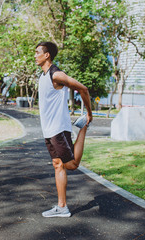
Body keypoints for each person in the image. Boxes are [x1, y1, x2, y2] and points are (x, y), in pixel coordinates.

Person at [35, 41, 93, 217]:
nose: (35, 55)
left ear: (47, 55)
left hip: (58, 128)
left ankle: (83, 127)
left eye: (38, 52)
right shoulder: (43, 76)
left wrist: (89, 114)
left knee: (72, 164)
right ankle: (62, 207)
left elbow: (83, 88)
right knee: (57, 164)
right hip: (49, 129)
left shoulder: (56, 75)